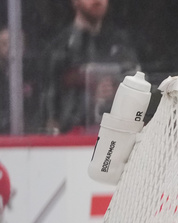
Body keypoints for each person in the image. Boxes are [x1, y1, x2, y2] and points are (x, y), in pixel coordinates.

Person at [42, 0, 140, 134]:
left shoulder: (121, 44)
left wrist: (115, 90)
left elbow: (136, 89)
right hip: (69, 142)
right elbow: (49, 107)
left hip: (115, 137)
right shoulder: (59, 48)